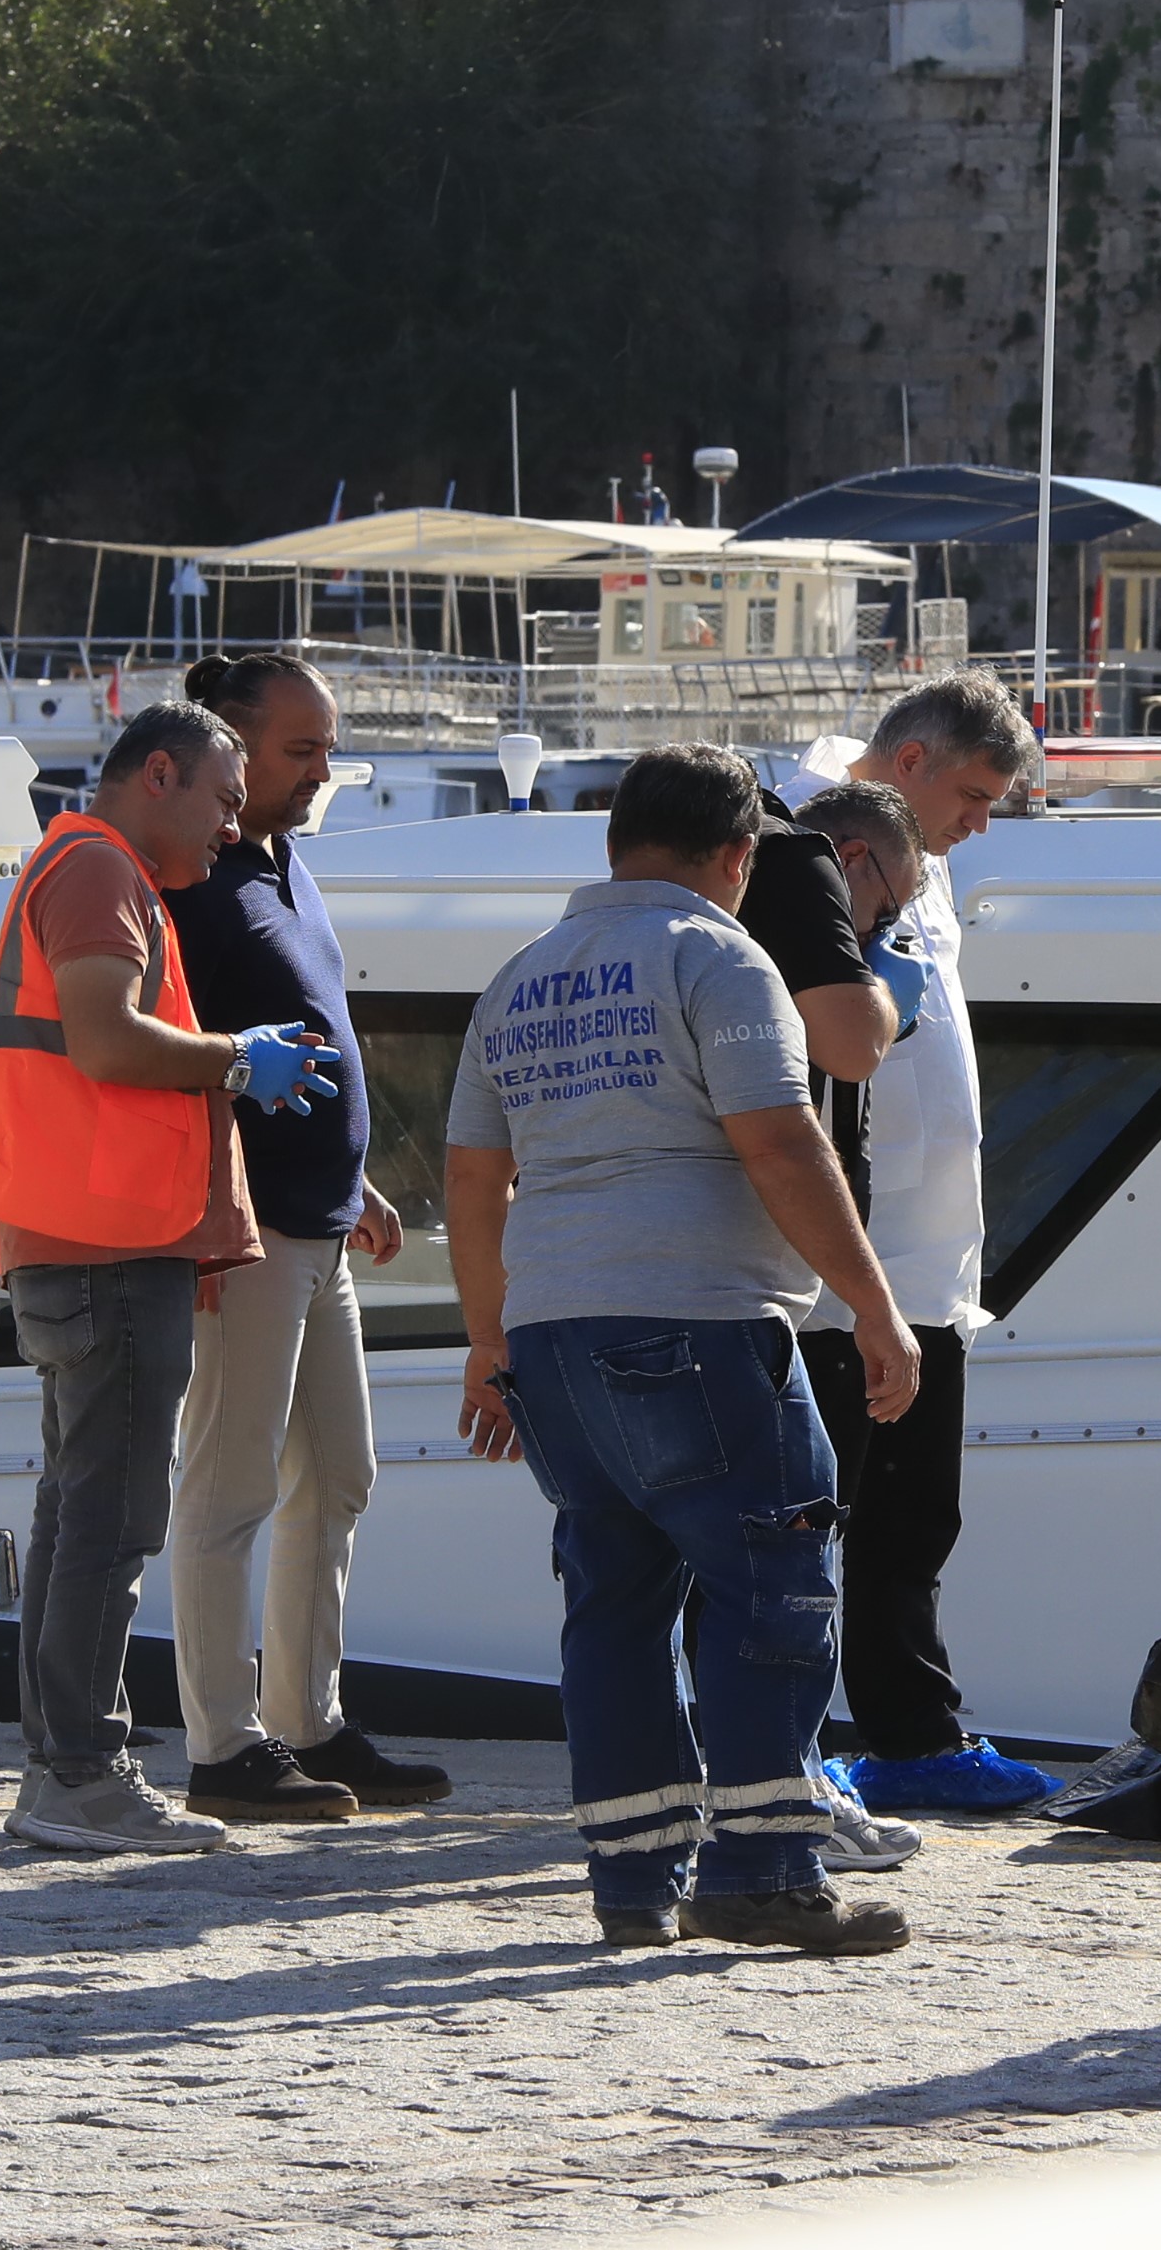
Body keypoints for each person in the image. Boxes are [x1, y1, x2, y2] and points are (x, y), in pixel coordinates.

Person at [444, 743, 926, 1953]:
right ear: (737, 856)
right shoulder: (717, 953)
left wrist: (488, 1335)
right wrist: (872, 1302)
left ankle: (631, 1880)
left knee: (611, 1601)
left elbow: (470, 1173)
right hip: (699, 1318)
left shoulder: (520, 975)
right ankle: (763, 1867)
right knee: (772, 1580)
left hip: (552, 1329)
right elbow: (779, 1141)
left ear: (614, 844)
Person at [0, 700, 341, 1856]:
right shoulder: (97, 870)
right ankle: (82, 1773)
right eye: (226, 800)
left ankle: (57, 1761)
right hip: (108, 1252)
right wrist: (240, 1057)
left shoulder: (86, 864)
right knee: (112, 1518)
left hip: (82, 1242)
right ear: (160, 774)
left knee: (80, 1506)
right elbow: (105, 1038)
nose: (235, 828)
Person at [155, 655, 456, 1823]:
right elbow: (173, 1059)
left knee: (337, 1474)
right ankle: (222, 1744)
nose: (325, 771)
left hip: (319, 1217)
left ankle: (307, 1720)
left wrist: (360, 1177)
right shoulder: (188, 876)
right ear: (232, 743)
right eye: (302, 750)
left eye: (329, 748)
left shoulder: (284, 865)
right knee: (228, 1484)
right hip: (243, 1231)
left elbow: (307, 1038)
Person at [783, 677, 1063, 1818]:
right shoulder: (807, 844)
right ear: (907, 762)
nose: (984, 823)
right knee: (811, 1516)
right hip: (843, 1264)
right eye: (976, 794)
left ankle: (912, 1736)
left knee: (910, 1516)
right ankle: (783, 1752)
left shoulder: (922, 859)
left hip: (930, 1263)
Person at [761, 777, 935, 1866]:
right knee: (798, 1551)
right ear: (855, 862)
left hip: (781, 1285)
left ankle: (767, 1777)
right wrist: (875, 1305)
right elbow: (849, 1051)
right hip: (801, 1295)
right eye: (887, 906)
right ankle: (795, 1783)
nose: (883, 932)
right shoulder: (804, 882)